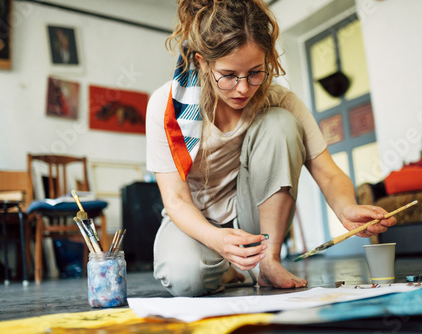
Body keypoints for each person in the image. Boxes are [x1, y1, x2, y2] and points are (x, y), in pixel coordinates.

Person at [146, 0, 396, 297]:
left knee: (282, 123)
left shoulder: (278, 98)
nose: (242, 88)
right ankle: (228, 267)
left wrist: (346, 207)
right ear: (202, 62)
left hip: (254, 218)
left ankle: (269, 260)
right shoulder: (167, 105)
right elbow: (175, 199)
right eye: (228, 75)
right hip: (196, 218)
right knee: (186, 279)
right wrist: (217, 239)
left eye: (255, 72)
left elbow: (328, 173)